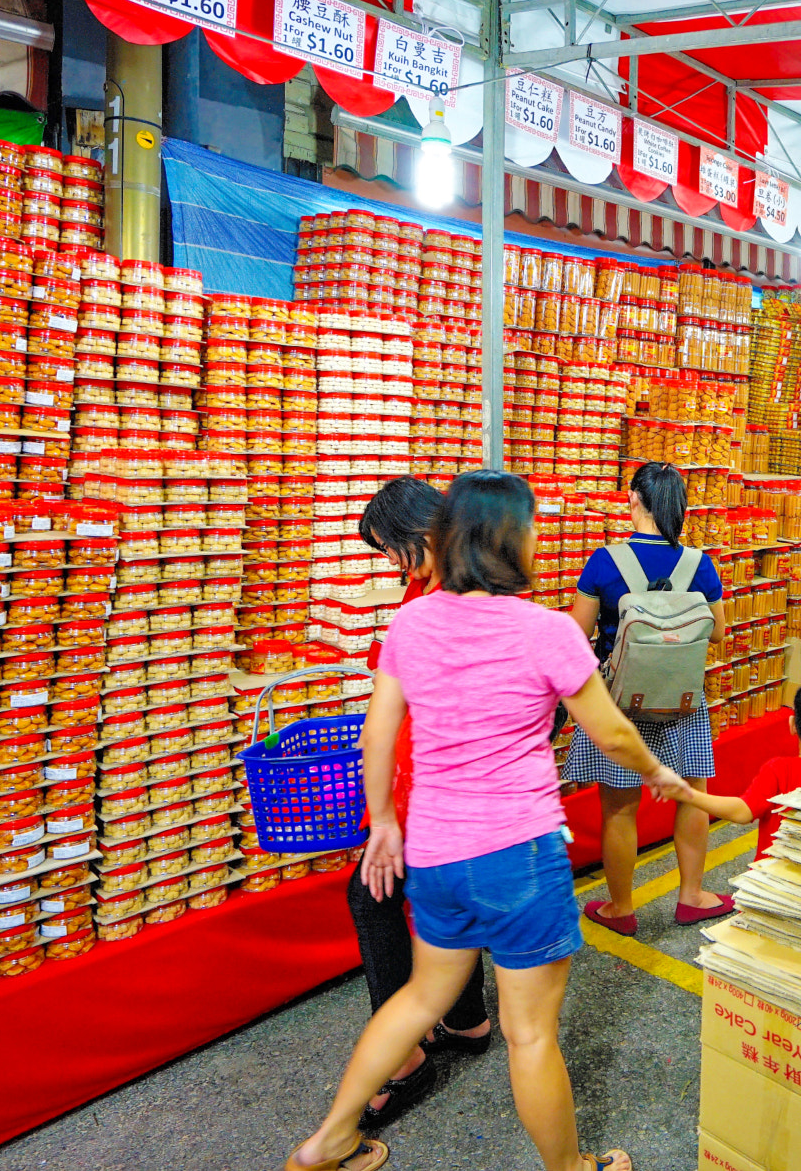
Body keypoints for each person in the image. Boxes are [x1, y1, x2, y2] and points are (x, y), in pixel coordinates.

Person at [285, 471, 686, 1171]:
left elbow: (377, 734)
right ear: (509, 537)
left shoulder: (411, 621)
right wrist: (659, 773)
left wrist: (383, 820)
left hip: (436, 850)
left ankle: (329, 1139)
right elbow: (615, 734)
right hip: (519, 853)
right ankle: (569, 1167)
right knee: (529, 1031)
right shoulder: (547, 629)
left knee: (418, 997)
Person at [344, 480, 492, 1129]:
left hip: (433, 790)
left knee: (370, 895)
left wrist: (387, 815)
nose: (393, 565)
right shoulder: (460, 580)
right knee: (444, 901)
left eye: (393, 549)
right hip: (445, 788)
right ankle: (465, 1019)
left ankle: (403, 1057)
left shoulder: (445, 600)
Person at [563, 462, 733, 938]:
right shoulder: (698, 563)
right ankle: (693, 896)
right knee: (691, 795)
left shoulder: (604, 561)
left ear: (634, 500)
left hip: (619, 701)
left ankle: (621, 907)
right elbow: (719, 632)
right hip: (682, 699)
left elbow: (577, 636)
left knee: (620, 807)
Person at [662, 678, 801, 859]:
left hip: (767, 883)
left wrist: (687, 793)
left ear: (792, 725)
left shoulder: (781, 770)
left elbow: (743, 812)